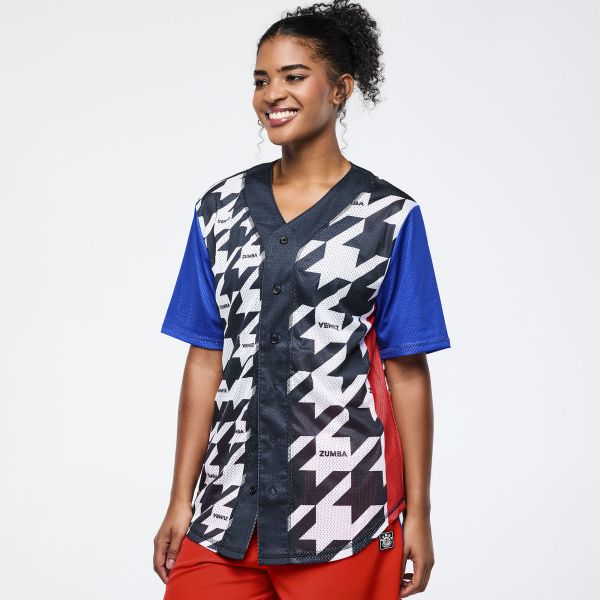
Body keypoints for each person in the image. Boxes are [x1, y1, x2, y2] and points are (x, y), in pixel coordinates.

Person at [153, 1, 451, 598]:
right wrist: (180, 499)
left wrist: (418, 513)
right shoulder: (219, 210)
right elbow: (205, 358)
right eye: (261, 79)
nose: (272, 94)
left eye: (294, 76)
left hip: (341, 510)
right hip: (227, 509)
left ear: (341, 89)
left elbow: (407, 370)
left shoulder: (388, 217)